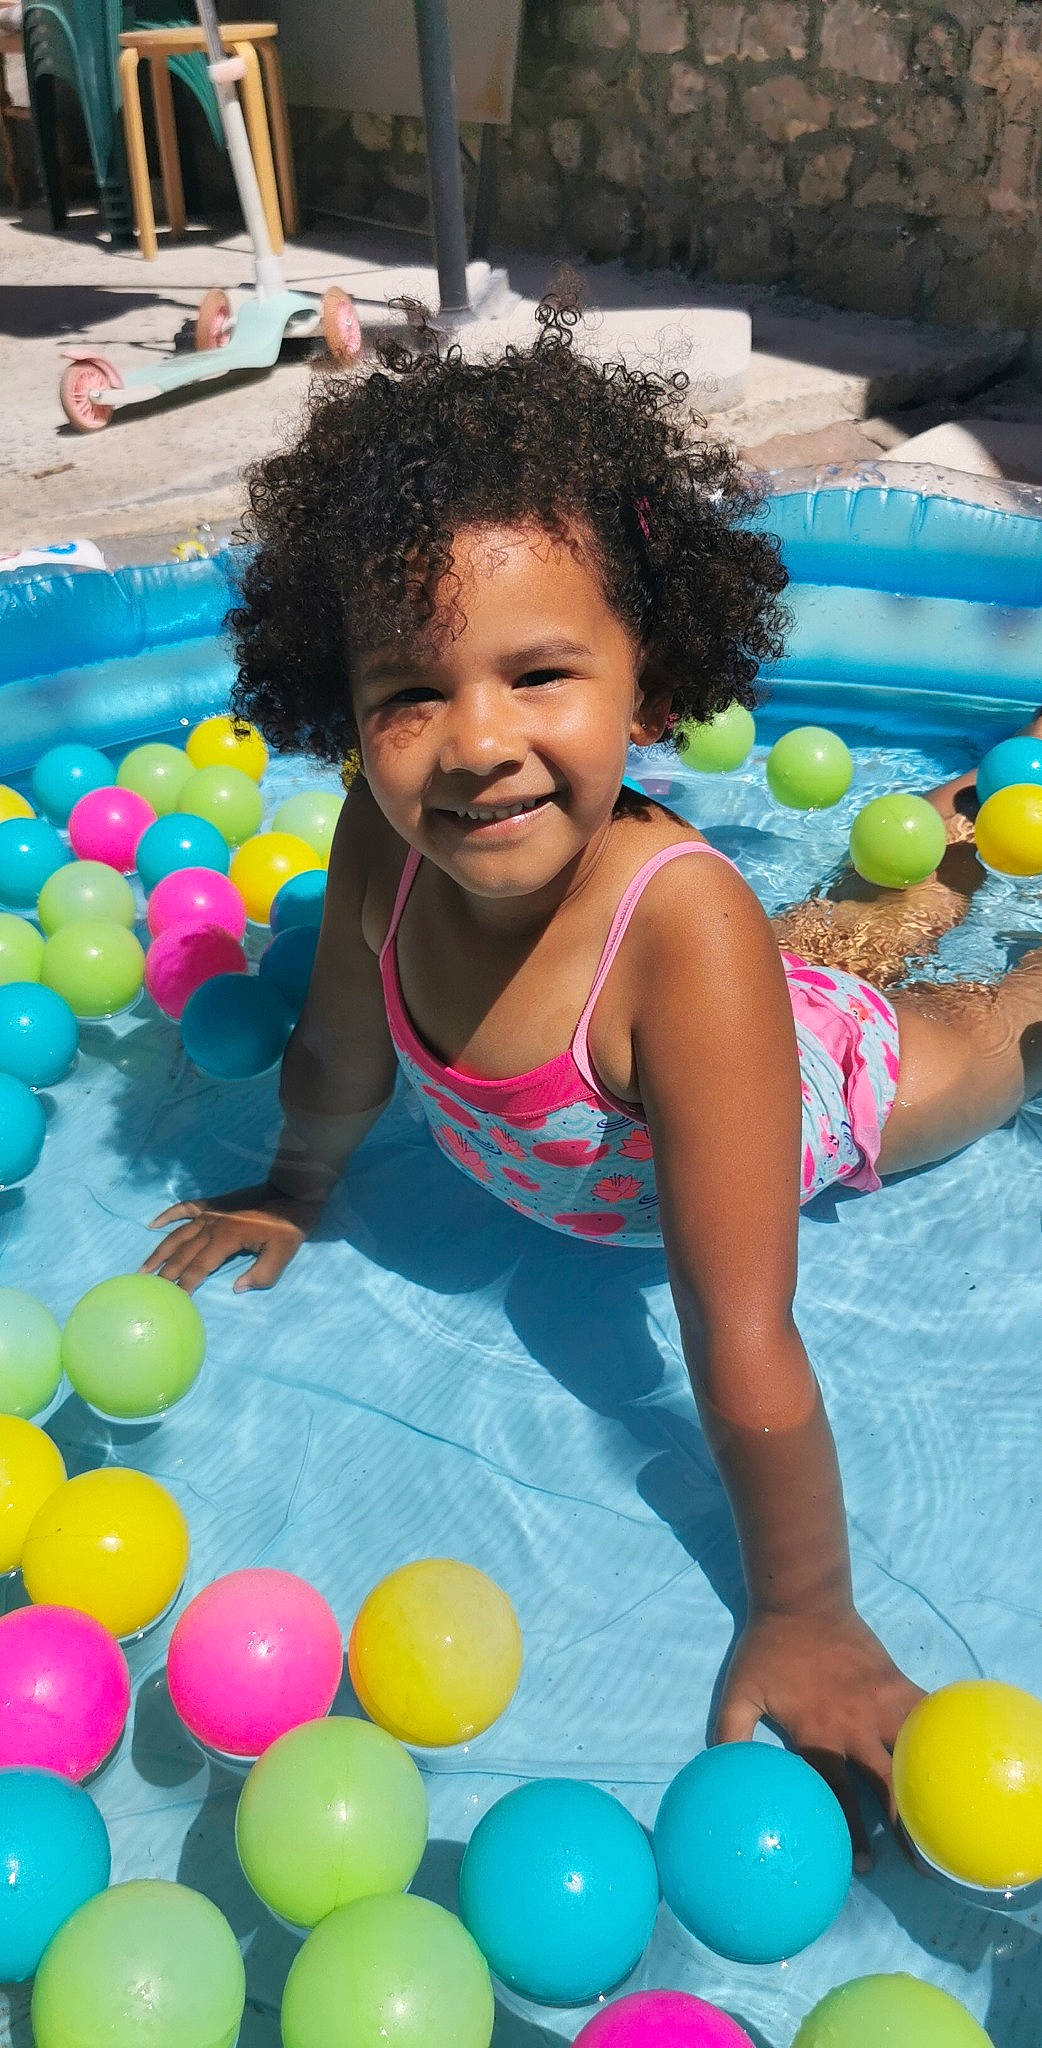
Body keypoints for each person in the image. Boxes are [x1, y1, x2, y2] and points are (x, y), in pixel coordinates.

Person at [144, 301, 1042, 1864]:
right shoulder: (383, 838)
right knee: (831, 935)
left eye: (539, 673)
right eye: (411, 693)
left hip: (827, 1085)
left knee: (999, 1031)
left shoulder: (676, 929)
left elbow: (739, 1330)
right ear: (345, 708)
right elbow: (346, 1046)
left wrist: (806, 1610)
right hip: (709, 1019)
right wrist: (296, 1187)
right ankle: (953, 854)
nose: (474, 742)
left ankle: (982, 904)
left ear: (647, 686)